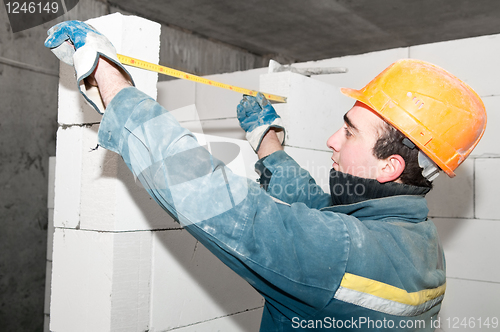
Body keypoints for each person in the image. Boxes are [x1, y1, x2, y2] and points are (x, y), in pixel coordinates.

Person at [45, 21, 487, 331]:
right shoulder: (416, 243)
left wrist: (110, 80)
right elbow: (320, 212)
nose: (333, 139)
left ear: (389, 167)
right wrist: (266, 142)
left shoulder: (348, 254)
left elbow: (220, 202)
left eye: (350, 132)